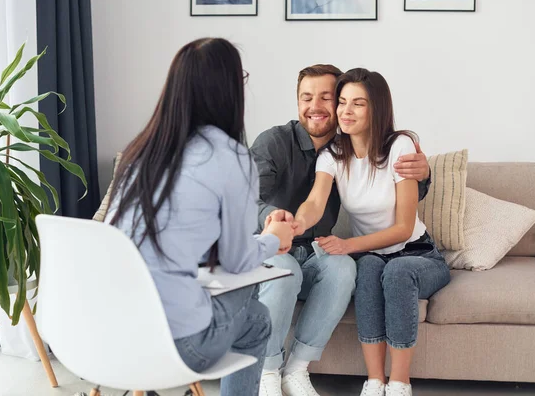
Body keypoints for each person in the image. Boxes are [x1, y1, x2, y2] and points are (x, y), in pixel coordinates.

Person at [105, 38, 295, 396]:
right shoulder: (230, 157)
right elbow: (238, 262)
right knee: (257, 316)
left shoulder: (141, 152)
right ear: (229, 91)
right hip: (174, 344)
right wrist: (274, 238)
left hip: (107, 333)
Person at [251, 65, 432, 396]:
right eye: (307, 97)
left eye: (327, 98)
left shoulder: (365, 146)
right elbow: (305, 203)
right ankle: (268, 371)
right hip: (277, 246)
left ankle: (298, 369)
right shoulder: (286, 145)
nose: (318, 106)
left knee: (345, 267)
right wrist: (288, 223)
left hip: (339, 250)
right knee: (291, 270)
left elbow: (401, 215)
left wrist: (425, 174)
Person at [292, 68, 451, 396]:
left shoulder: (400, 145)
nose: (345, 112)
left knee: (397, 271)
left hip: (417, 254)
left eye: (358, 104)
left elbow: (403, 228)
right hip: (373, 256)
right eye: (343, 102)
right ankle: (375, 380)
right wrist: (296, 223)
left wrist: (347, 244)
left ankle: (399, 383)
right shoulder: (333, 155)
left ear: (377, 109)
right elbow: (315, 203)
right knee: (366, 270)